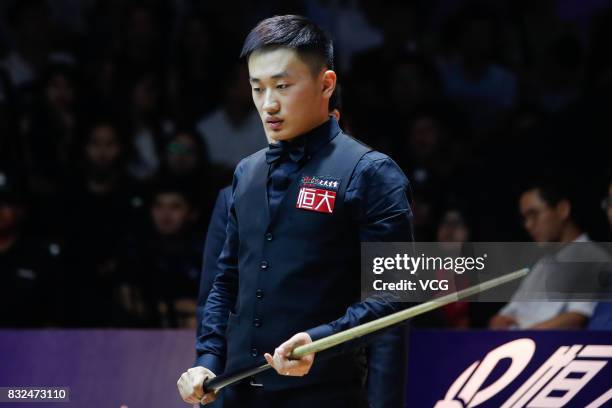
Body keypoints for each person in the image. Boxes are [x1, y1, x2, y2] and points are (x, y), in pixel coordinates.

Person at [178, 15, 413, 408]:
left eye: (283, 86)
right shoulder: (246, 172)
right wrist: (206, 362)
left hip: (323, 397)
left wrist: (321, 339)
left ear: (326, 84)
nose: (268, 104)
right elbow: (225, 284)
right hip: (234, 396)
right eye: (258, 88)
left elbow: (393, 295)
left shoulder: (372, 172)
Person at [489, 178, 604, 329]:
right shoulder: (543, 264)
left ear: (563, 209)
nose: (528, 225)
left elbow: (576, 318)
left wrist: (525, 335)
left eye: (534, 214)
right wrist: (497, 323)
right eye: (525, 218)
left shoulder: (593, 258)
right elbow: (504, 315)